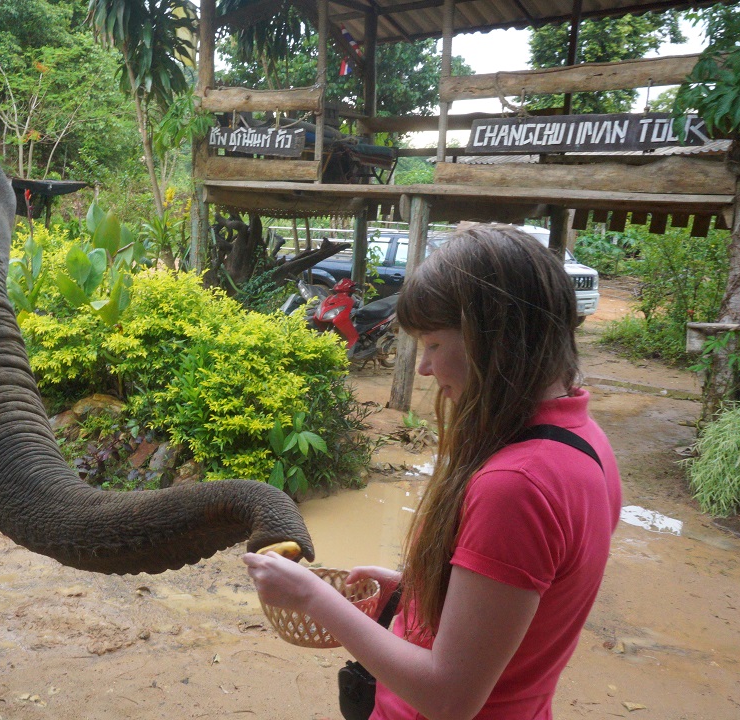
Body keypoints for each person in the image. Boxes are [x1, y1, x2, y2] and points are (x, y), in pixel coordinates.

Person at [244, 223, 622, 720]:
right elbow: (520, 601)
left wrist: (312, 597)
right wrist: (411, 590)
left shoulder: (516, 486)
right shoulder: (586, 443)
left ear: (498, 342)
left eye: (435, 345)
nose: (424, 368)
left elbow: (449, 697)